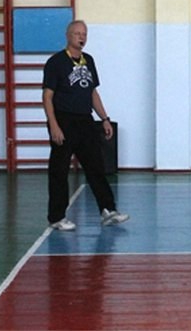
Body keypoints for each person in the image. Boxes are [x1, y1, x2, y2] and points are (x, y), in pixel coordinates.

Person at [42, 20, 129, 231]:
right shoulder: (56, 62)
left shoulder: (88, 60)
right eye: (77, 33)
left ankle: (108, 210)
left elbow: (92, 93)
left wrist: (104, 118)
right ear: (68, 35)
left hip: (85, 120)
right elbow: (47, 96)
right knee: (59, 170)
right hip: (63, 119)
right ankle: (57, 217)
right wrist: (54, 125)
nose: (81, 37)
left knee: (96, 166)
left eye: (84, 34)